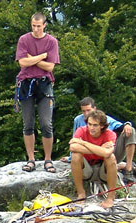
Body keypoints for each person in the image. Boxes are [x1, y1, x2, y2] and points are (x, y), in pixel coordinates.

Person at [15, 12, 60, 174]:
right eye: (33, 26)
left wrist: (32, 59)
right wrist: (42, 56)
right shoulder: (24, 40)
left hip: (44, 84)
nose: (35, 29)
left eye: (38, 26)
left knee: (46, 124)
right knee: (28, 124)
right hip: (26, 84)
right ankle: (31, 159)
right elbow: (22, 63)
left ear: (44, 25)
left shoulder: (52, 42)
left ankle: (48, 159)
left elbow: (50, 67)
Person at [61, 97, 135, 182]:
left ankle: (128, 169)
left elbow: (120, 126)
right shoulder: (78, 120)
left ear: (94, 108)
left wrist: (127, 124)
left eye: (88, 110)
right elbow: (74, 141)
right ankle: (121, 166)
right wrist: (71, 158)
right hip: (89, 156)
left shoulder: (104, 119)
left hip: (107, 154)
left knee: (131, 130)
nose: (86, 113)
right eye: (83, 111)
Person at [69, 109, 117, 209]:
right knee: (75, 155)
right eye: (89, 124)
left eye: (95, 125)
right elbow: (73, 147)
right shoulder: (81, 130)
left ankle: (110, 198)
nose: (91, 128)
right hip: (86, 169)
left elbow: (107, 153)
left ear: (102, 126)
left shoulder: (110, 134)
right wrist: (99, 149)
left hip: (103, 170)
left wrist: (83, 143)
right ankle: (81, 194)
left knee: (111, 158)